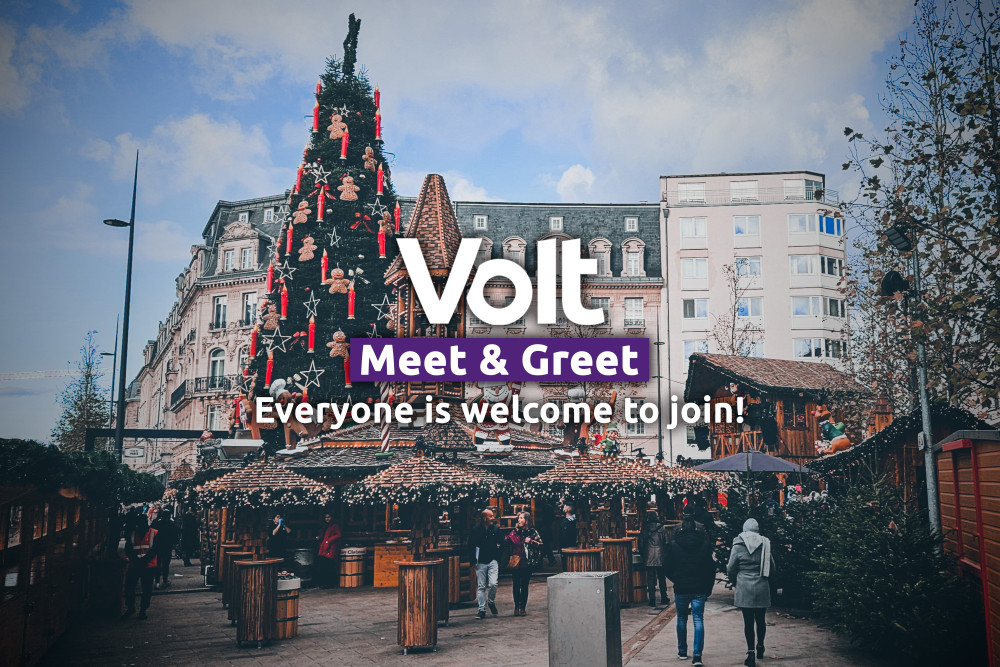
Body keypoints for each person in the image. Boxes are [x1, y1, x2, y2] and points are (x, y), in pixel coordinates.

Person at [664, 516, 716, 666]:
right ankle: (697, 656)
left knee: (681, 619)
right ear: (695, 528)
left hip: (681, 587)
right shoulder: (704, 544)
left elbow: (666, 566)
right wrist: (708, 587)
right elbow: (710, 568)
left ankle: (682, 651)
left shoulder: (674, 545)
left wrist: (676, 579)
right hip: (699, 587)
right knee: (698, 619)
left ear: (681, 529)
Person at [727, 518, 774, 667]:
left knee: (748, 622)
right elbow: (772, 567)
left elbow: (730, 567)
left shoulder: (738, 545)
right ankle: (760, 645)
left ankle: (750, 653)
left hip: (744, 585)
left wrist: (735, 579)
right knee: (761, 619)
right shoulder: (765, 543)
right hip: (761, 585)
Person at [504, 512, 542, 616]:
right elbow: (508, 541)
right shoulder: (515, 531)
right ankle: (516, 606)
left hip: (527, 561)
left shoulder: (532, 532)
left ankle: (522, 607)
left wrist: (530, 541)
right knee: (516, 585)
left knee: (524, 585)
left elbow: (540, 544)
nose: (519, 520)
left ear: (527, 520)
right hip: (516, 560)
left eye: (522, 518)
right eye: (519, 518)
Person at [468, 508, 504, 619]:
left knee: (493, 584)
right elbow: (471, 546)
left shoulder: (496, 530)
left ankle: (491, 601)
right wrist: (473, 560)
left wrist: (498, 557)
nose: (493, 518)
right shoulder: (475, 530)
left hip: (493, 560)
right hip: (480, 561)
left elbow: (502, 543)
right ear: (484, 518)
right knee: (481, 586)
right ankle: (481, 609)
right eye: (490, 516)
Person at [122, 516, 160, 619]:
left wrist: (139, 561)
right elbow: (129, 549)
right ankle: (133, 608)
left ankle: (141, 609)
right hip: (141, 565)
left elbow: (155, 549)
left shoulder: (153, 533)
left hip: (142, 565)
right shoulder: (133, 534)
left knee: (144, 589)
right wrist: (140, 561)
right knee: (133, 588)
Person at [638, 511, 669, 607]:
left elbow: (641, 543)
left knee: (650, 579)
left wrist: (643, 554)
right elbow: (667, 542)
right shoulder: (662, 527)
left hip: (649, 555)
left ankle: (652, 600)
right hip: (660, 555)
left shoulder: (645, 528)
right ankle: (664, 597)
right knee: (662, 577)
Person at [150, 510, 178, 589]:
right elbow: (175, 534)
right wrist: (175, 543)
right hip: (167, 546)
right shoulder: (171, 524)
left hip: (158, 546)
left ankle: (157, 581)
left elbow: (152, 533)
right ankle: (165, 581)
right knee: (166, 564)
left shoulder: (156, 523)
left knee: (157, 564)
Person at [317, 512, 342, 588]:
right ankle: (325, 583)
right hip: (324, 547)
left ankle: (331, 584)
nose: (327, 519)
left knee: (330, 566)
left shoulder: (334, 526)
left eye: (329, 517)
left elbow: (338, 535)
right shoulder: (326, 526)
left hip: (330, 548)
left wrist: (329, 540)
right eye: (326, 517)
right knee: (324, 566)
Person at [558, 503, 577, 571]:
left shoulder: (566, 522)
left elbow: (563, 536)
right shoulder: (575, 520)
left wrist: (561, 547)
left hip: (567, 546)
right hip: (574, 545)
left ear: (566, 510)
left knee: (566, 566)